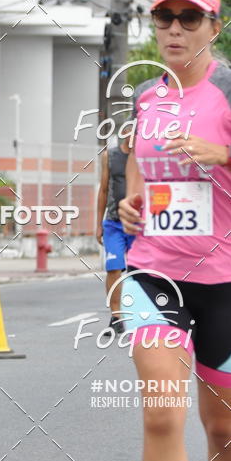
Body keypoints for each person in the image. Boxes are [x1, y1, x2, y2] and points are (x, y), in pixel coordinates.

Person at [118, 0, 231, 461]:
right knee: (163, 409)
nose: (176, 30)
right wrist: (131, 202)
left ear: (213, 28)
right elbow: (137, 162)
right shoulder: (144, 97)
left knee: (223, 425)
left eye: (191, 19)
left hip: (226, 280)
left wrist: (221, 152)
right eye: (166, 18)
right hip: (154, 271)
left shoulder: (228, 88)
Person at [96, 134, 134, 333]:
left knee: (140, 271)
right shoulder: (109, 156)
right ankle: (116, 315)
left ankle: (140, 311)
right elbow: (103, 190)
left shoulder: (142, 156)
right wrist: (98, 224)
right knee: (113, 268)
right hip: (113, 222)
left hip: (138, 223)